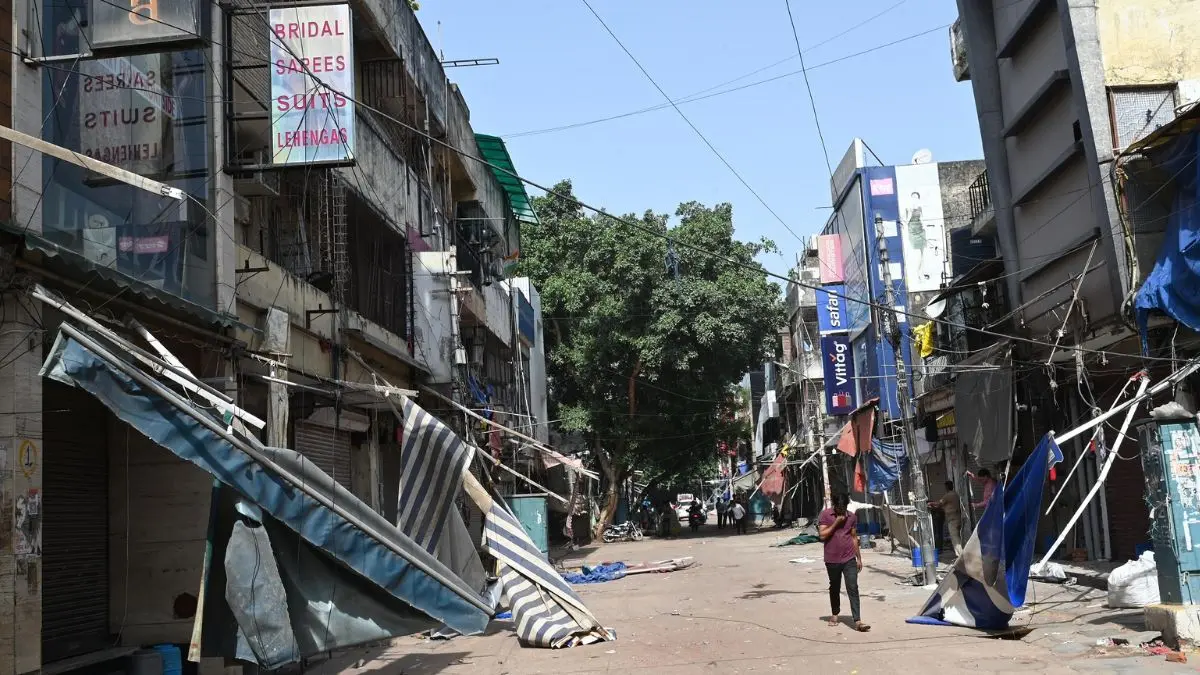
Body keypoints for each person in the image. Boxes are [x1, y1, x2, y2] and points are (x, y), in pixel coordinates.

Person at [819, 493, 869, 632]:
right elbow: (822, 535)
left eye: (844, 507)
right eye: (839, 507)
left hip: (849, 558)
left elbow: (853, 537)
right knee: (834, 586)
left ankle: (858, 620)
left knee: (852, 587)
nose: (842, 510)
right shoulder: (825, 515)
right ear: (834, 506)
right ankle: (835, 614)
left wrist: (859, 558)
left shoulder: (852, 517)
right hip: (832, 558)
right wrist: (836, 523)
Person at [927, 480, 964, 557]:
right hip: (957, 518)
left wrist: (930, 503)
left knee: (955, 538)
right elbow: (943, 505)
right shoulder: (955, 494)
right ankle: (960, 555)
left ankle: (960, 556)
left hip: (953, 519)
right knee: (957, 537)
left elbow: (939, 503)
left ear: (947, 487)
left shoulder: (949, 495)